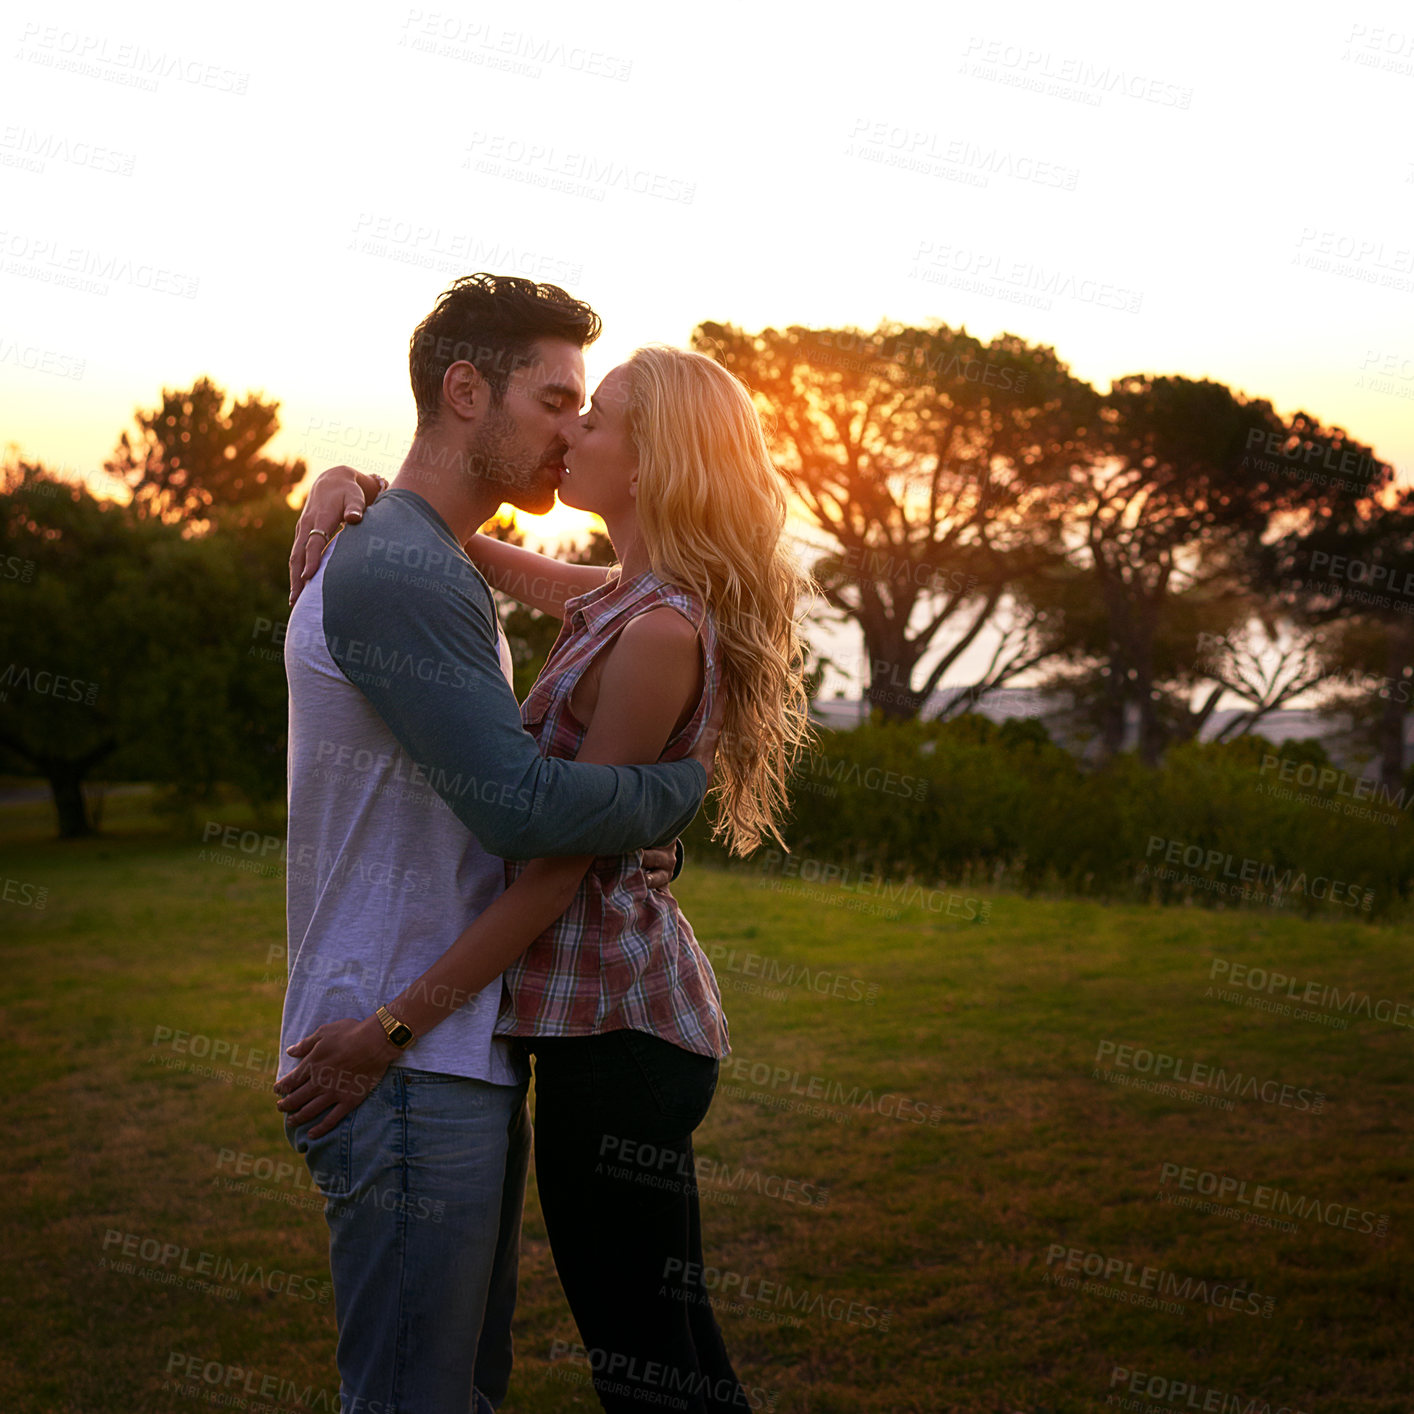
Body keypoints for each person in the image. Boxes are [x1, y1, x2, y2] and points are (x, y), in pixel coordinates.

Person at [280, 344, 812, 1411]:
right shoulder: (625, 596)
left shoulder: (656, 630)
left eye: (597, 418)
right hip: (595, 1028)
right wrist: (350, 487)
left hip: (619, 1037)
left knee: (646, 1358)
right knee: (661, 1344)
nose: (572, 435)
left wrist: (388, 1029)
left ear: (656, 461)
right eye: (568, 408)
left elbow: (550, 878)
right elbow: (464, 546)